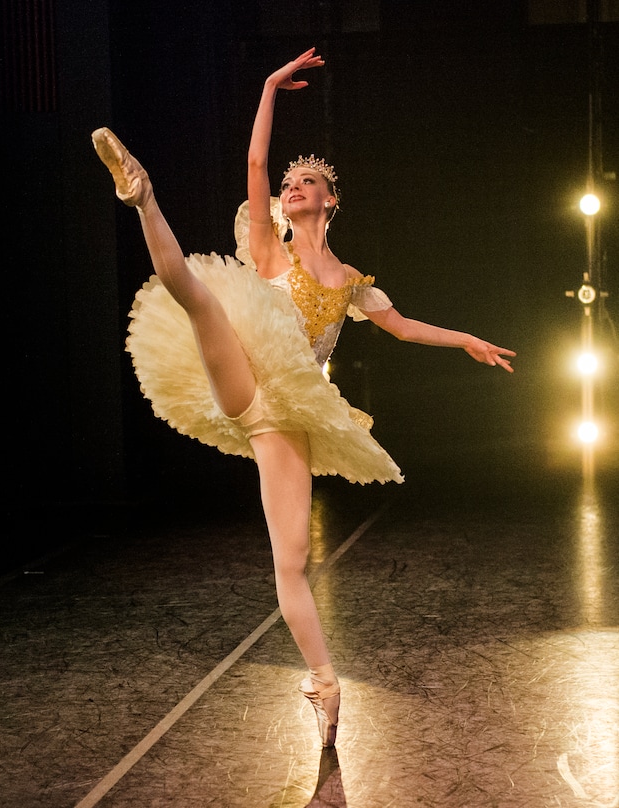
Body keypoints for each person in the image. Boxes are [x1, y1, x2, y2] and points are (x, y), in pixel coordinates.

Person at [91, 47, 515, 749]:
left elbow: (401, 325)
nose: (293, 186)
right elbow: (256, 167)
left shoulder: (349, 279)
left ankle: (324, 681)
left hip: (285, 416)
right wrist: (266, 88)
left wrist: (465, 338)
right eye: (290, 181)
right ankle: (141, 193)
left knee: (290, 563)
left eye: (307, 181)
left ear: (330, 200)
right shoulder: (268, 249)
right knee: (197, 299)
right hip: (241, 377)